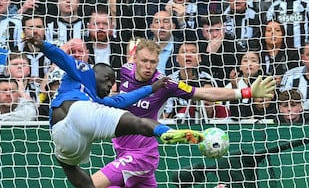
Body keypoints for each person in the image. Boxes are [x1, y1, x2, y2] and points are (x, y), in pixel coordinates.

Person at [23, 37, 206, 188]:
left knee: (86, 183)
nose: (110, 86)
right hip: (80, 111)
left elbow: (121, 100)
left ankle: (165, 132)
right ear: (97, 74)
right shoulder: (85, 72)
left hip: (60, 133)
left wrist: (150, 88)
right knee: (136, 122)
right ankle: (166, 132)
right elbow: (62, 58)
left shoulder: (97, 98)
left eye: (112, 83)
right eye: (108, 80)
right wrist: (44, 45)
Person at [91, 39, 275, 188]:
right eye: (144, 61)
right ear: (135, 59)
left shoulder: (164, 84)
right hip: (122, 152)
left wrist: (245, 92)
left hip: (141, 155)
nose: (148, 66)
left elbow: (204, 93)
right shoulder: (124, 72)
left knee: (91, 184)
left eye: (153, 62)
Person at [163, 41, 230, 119]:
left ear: (199, 58)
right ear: (177, 58)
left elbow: (216, 108)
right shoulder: (170, 81)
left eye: (193, 52)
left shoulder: (208, 80)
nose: (188, 55)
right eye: (184, 52)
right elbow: (166, 114)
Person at [260, 19, 300, 86]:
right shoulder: (258, 54)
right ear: (263, 34)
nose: (273, 33)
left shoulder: (293, 54)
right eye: (269, 30)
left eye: (277, 30)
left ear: (283, 34)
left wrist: (283, 80)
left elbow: (296, 76)